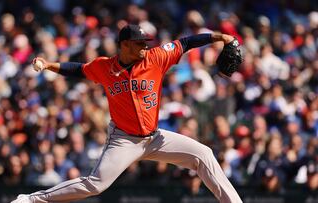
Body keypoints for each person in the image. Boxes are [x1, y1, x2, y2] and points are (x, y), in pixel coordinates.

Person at [12, 24, 243, 203]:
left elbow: (186, 42)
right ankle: (32, 199)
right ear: (124, 45)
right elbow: (78, 70)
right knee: (95, 184)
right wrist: (48, 64)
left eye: (145, 42)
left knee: (203, 154)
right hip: (124, 139)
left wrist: (220, 37)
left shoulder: (156, 58)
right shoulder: (105, 67)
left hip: (155, 138)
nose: (145, 46)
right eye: (139, 43)